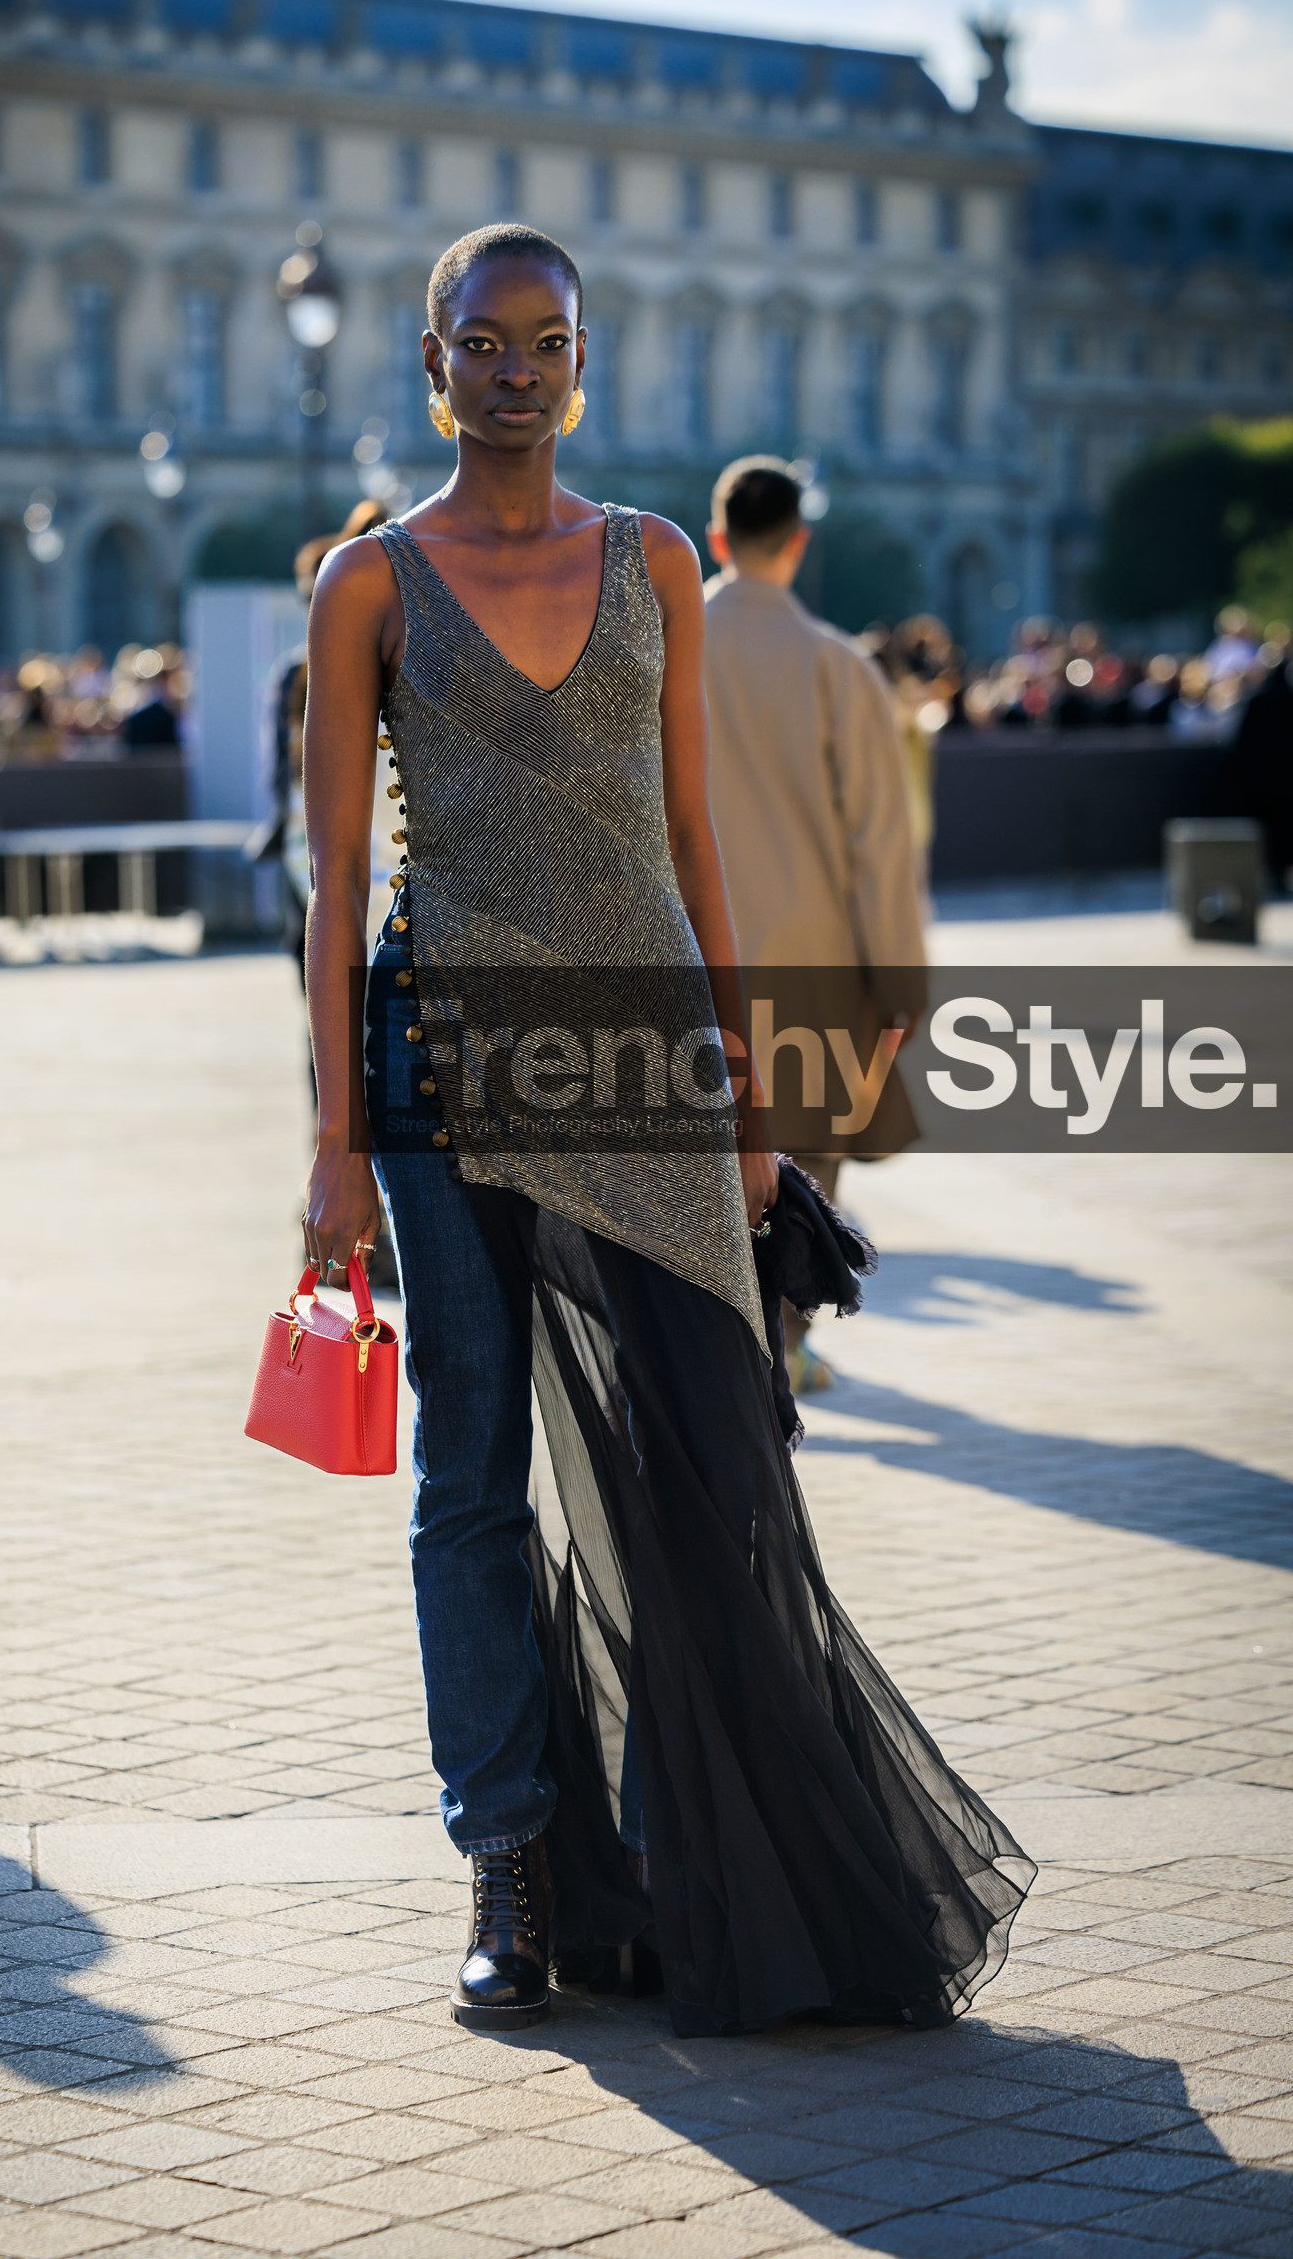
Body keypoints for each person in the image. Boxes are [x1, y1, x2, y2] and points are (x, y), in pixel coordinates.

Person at [298, 223, 1030, 2038]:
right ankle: (513, 1867)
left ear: (583, 360)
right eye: (484, 340)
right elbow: (328, 885)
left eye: (548, 340)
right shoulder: (367, 582)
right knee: (470, 1465)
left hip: (639, 1059)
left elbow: (695, 849)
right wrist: (327, 1143)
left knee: (704, 1454)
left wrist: (762, 1104)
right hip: (441, 1061)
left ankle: (686, 1852)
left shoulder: (656, 560)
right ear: (431, 359)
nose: (517, 368)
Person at [701, 458, 927, 1392]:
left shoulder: (667, 649)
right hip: (818, 955)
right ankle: (786, 1337)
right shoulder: (840, 668)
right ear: (799, 540)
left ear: (716, 538)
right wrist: (903, 983)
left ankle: (718, 1348)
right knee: (811, 1162)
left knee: (703, 1164)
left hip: (695, 958)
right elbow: (883, 845)